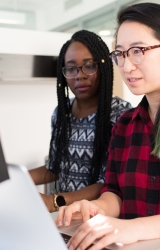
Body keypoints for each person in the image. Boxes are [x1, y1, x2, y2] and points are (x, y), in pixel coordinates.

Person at [56, 3, 160, 250]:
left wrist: (132, 228)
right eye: (120, 54)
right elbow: (114, 193)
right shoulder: (125, 125)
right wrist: (96, 208)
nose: (126, 67)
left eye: (138, 51)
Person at [29, 30, 132, 213]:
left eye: (89, 66)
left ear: (103, 67)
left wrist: (54, 201)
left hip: (99, 219)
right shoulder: (61, 113)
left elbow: (109, 183)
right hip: (65, 219)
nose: (79, 75)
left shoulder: (120, 115)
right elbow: (54, 167)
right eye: (71, 68)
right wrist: (15, 179)